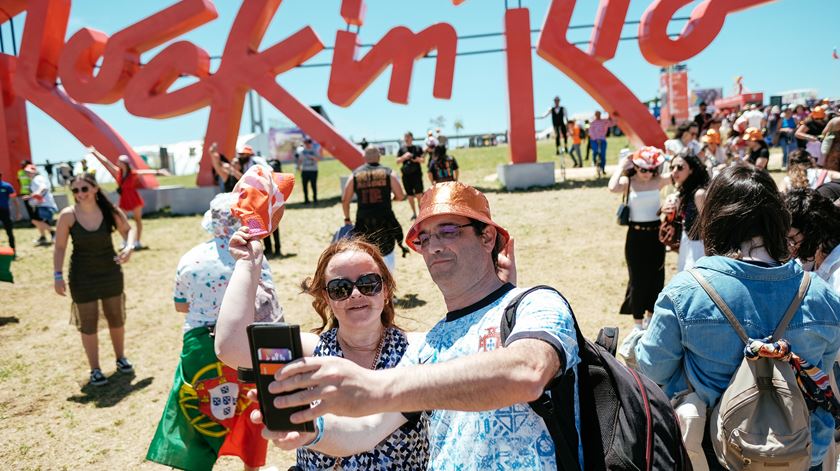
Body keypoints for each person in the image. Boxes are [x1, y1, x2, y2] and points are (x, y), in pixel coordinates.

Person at [259, 181, 582, 470]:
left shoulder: (536, 303)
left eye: (449, 231)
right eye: (424, 238)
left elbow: (525, 372)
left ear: (487, 236)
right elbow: (365, 432)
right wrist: (310, 430)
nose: (434, 246)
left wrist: (377, 388)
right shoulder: (433, 343)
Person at [635, 164, 840, 470]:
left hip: (715, 454)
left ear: (715, 218)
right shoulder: (821, 296)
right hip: (798, 453)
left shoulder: (686, 292)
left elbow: (652, 372)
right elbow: (823, 380)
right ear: (778, 218)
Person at [215, 235, 430, 469]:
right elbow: (230, 347)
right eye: (341, 289)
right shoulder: (310, 352)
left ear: (386, 290)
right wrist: (248, 263)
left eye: (368, 283)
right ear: (327, 298)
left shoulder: (417, 350)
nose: (356, 293)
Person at [146, 193, 281, 471]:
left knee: (195, 407)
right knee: (250, 407)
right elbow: (269, 303)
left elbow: (180, 306)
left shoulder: (190, 259)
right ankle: (251, 466)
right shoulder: (254, 257)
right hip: (244, 343)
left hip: (199, 344)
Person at [53, 173, 135, 387]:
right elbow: (60, 247)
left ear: (95, 189)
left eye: (84, 189)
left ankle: (121, 359)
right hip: (82, 276)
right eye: (76, 191)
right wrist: (57, 275)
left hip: (110, 272)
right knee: (88, 323)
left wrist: (129, 247)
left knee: (116, 317)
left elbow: (128, 231)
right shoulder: (67, 215)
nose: (80, 194)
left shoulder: (109, 211)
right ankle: (95, 370)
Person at [608, 147, 670, 330]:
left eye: (652, 169)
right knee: (637, 278)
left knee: (656, 276)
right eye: (644, 169)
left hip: (656, 234)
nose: (648, 174)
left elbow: (680, 175)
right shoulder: (628, 181)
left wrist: (667, 154)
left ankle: (650, 318)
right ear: (635, 167)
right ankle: (637, 323)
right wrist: (621, 166)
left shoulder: (658, 181)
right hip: (635, 235)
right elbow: (612, 187)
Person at [342, 147, 407, 274]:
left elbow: (345, 200)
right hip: (385, 220)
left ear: (364, 157)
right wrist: (391, 198)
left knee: (366, 253)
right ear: (379, 156)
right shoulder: (388, 172)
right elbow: (400, 195)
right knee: (387, 253)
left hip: (363, 221)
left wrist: (347, 218)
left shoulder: (355, 174)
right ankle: (388, 284)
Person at [89, 147, 168, 250]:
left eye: (120, 161)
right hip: (124, 199)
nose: (117, 162)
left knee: (137, 220)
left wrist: (158, 171)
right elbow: (106, 162)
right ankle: (126, 240)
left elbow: (145, 172)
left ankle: (137, 242)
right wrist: (95, 152)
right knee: (120, 221)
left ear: (124, 163)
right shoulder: (118, 173)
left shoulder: (133, 173)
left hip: (134, 198)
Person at [785, 189, 840, 290]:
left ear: (812, 231)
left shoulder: (837, 271)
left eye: (792, 238)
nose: (789, 245)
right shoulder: (807, 259)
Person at [666, 153, 709, 272]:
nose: (674, 171)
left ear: (691, 170)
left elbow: (710, 225)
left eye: (680, 167)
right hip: (687, 241)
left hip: (699, 246)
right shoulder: (685, 190)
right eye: (672, 167)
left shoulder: (700, 194)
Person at [23, 164, 58, 246]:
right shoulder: (36, 179)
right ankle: (43, 237)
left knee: (35, 220)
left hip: (45, 205)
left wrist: (36, 194)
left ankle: (53, 233)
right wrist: (33, 196)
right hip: (42, 205)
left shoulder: (37, 179)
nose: (28, 174)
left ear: (35, 171)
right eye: (27, 172)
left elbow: (43, 187)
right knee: (38, 221)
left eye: (29, 172)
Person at [396, 132, 425, 220]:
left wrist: (415, 159)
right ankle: (414, 213)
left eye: (408, 137)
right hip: (406, 175)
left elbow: (423, 160)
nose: (406, 138)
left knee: (419, 194)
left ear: (412, 138)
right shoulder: (402, 149)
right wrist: (404, 157)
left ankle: (421, 213)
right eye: (405, 137)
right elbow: (397, 161)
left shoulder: (418, 148)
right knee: (410, 195)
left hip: (416, 174)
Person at [589, 110, 616, 176]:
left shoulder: (604, 121)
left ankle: (603, 168)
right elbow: (591, 132)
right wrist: (596, 139)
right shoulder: (593, 122)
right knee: (595, 151)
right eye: (596, 114)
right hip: (594, 140)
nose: (598, 115)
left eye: (599, 114)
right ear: (595, 115)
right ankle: (594, 161)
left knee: (603, 155)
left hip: (602, 139)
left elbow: (612, 123)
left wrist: (611, 115)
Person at [296, 138, 321, 205]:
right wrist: (298, 166)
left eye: (308, 143)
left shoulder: (314, 151)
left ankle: (315, 199)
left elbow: (319, 159)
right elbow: (300, 160)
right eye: (305, 143)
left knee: (313, 185)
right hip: (305, 171)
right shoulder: (302, 151)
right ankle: (306, 200)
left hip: (313, 171)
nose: (307, 144)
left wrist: (312, 157)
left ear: (310, 143)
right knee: (304, 186)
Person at [0, 173, 18, 251]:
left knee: (9, 231)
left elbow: (14, 199)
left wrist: (18, 212)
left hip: (4, 211)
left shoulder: (7, 186)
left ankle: (13, 250)